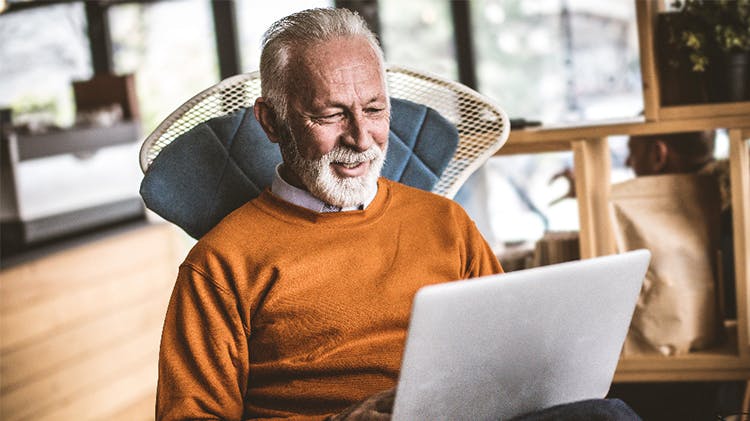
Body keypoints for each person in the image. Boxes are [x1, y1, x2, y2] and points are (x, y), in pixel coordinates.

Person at [156, 8, 639, 420]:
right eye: (330, 115)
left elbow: (511, 362)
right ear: (271, 121)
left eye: (374, 109)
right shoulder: (220, 263)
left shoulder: (446, 224)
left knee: (605, 414)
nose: (361, 139)